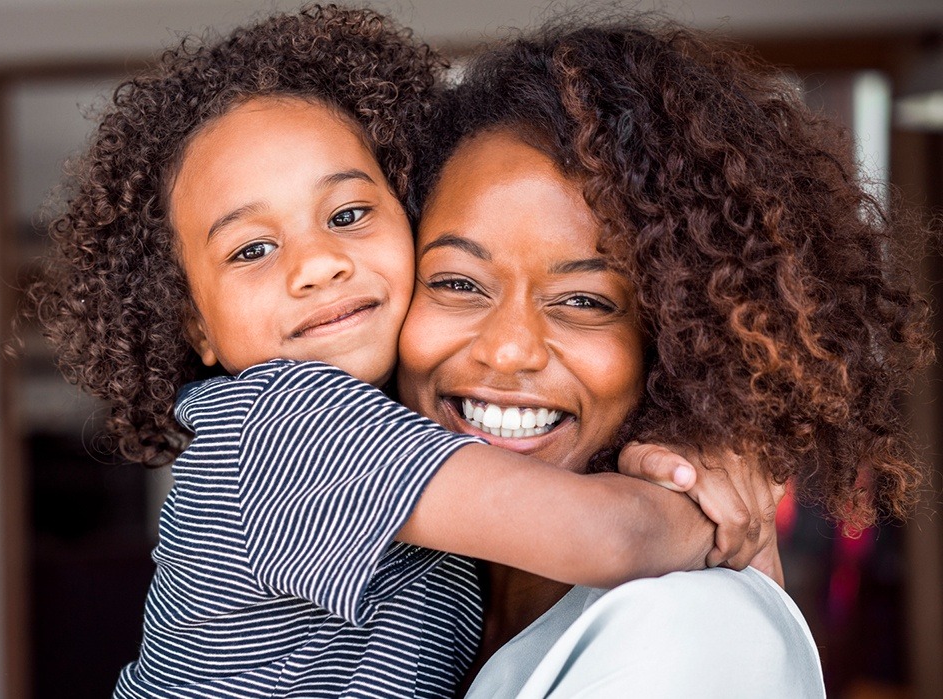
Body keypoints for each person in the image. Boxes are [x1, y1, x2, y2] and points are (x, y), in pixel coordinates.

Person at [30, 6, 778, 698]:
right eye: (252, 248)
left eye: (349, 213)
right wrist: (714, 514)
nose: (317, 263)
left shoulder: (407, 447)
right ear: (193, 325)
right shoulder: (281, 422)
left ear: (406, 213)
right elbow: (610, 535)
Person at [395, 18, 933, 697]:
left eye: (585, 301)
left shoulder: (694, 627)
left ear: (680, 341)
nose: (508, 348)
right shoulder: (412, 596)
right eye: (457, 283)